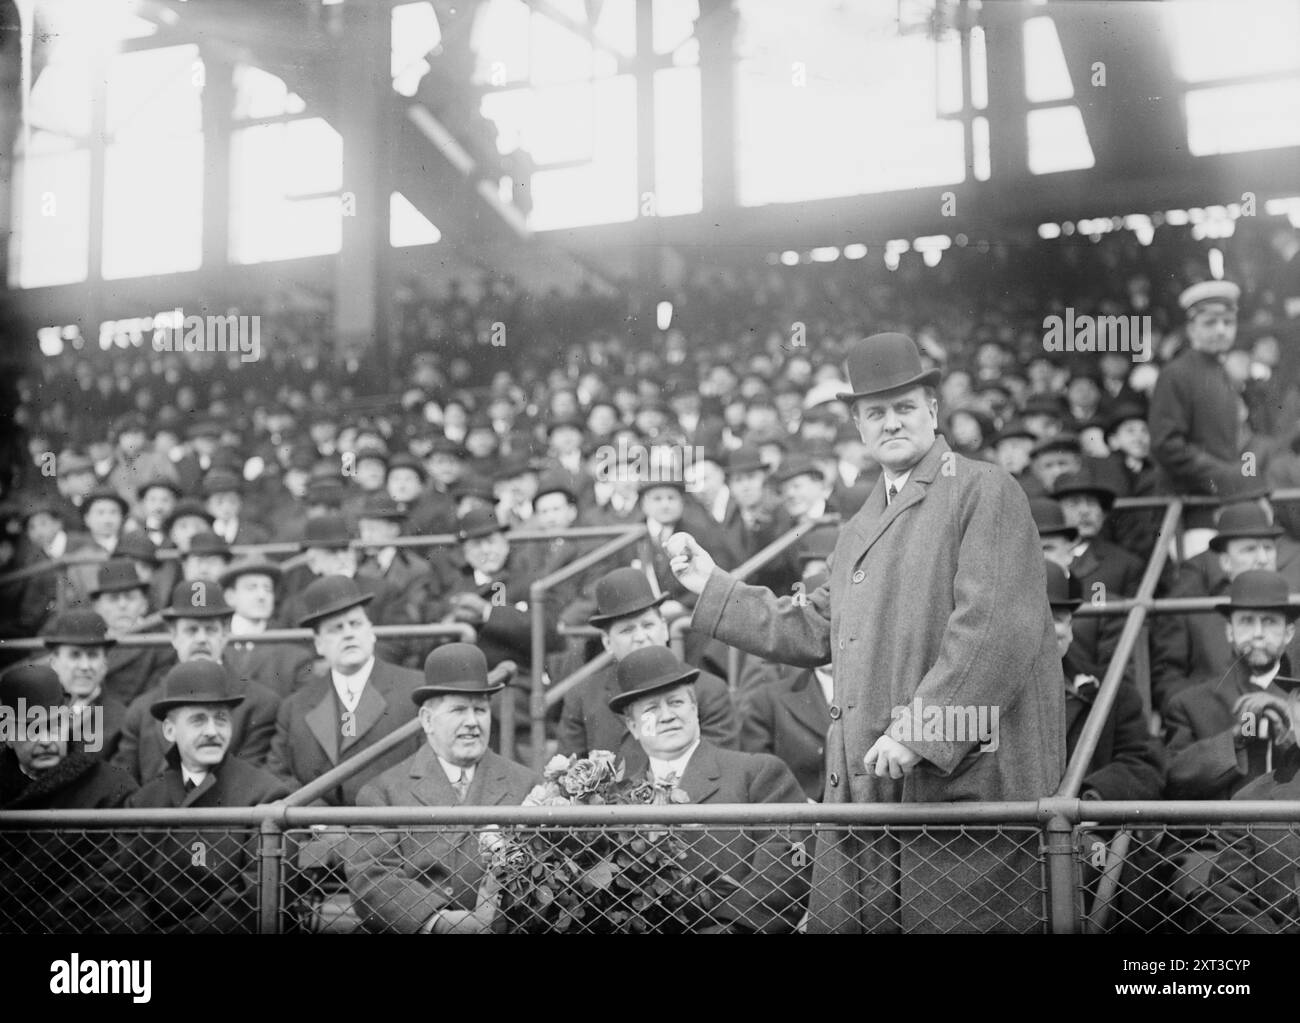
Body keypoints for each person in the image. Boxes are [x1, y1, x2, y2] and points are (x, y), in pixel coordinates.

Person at [665, 332, 1065, 933]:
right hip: (872, 801)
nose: (891, 422)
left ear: (932, 410)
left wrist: (921, 731)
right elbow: (818, 626)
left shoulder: (984, 489)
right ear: (858, 425)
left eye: (904, 407)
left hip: (964, 793)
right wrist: (713, 585)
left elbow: (994, 632)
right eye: (875, 412)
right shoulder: (858, 526)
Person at [609, 646, 809, 933]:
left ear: (695, 709)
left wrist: (732, 928)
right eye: (652, 709)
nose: (667, 716)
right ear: (634, 725)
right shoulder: (617, 798)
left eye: (676, 703)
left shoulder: (757, 773)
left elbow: (796, 856)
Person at [347, 644, 536, 933]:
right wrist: (438, 922)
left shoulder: (525, 784)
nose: (472, 722)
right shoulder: (382, 792)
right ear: (426, 720)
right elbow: (370, 878)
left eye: (481, 710)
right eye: (458, 710)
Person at [122, 661, 291, 933]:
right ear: (169, 731)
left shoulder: (266, 794)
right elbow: (119, 887)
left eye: (221, 718)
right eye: (198, 719)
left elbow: (255, 898)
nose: (212, 731)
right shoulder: (144, 801)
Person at [0, 664, 138, 933]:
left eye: (54, 726)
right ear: (6, 733)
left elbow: (113, 881)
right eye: (31, 729)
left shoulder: (111, 787)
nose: (46, 740)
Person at [557, 567, 738, 772]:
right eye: (628, 630)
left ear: (664, 627)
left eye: (648, 625)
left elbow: (720, 775)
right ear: (607, 642)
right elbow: (568, 778)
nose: (641, 637)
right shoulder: (582, 696)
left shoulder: (708, 690)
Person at [267, 575, 425, 806]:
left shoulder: (415, 689)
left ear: (371, 631)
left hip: (398, 831)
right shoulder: (295, 707)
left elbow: (431, 767)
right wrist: (317, 815)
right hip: (320, 835)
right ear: (319, 644)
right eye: (336, 629)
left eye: (356, 624)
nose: (348, 634)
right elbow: (278, 774)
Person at [112, 580, 280, 783]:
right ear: (173, 636)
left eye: (210, 630)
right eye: (191, 630)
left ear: (225, 634)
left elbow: (249, 784)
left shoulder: (260, 704)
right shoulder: (141, 710)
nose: (201, 639)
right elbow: (123, 784)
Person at [1148, 280, 1246, 556]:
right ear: (1191, 328)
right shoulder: (1176, 374)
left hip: (1222, 505)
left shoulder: (1224, 375)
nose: (1221, 330)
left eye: (1228, 322)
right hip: (1190, 511)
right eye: (1210, 322)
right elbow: (1166, 445)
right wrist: (1225, 476)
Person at [41, 609, 126, 760]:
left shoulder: (120, 719)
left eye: (93, 655)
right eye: (75, 655)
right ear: (54, 662)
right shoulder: (31, 712)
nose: (85, 666)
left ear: (105, 663)